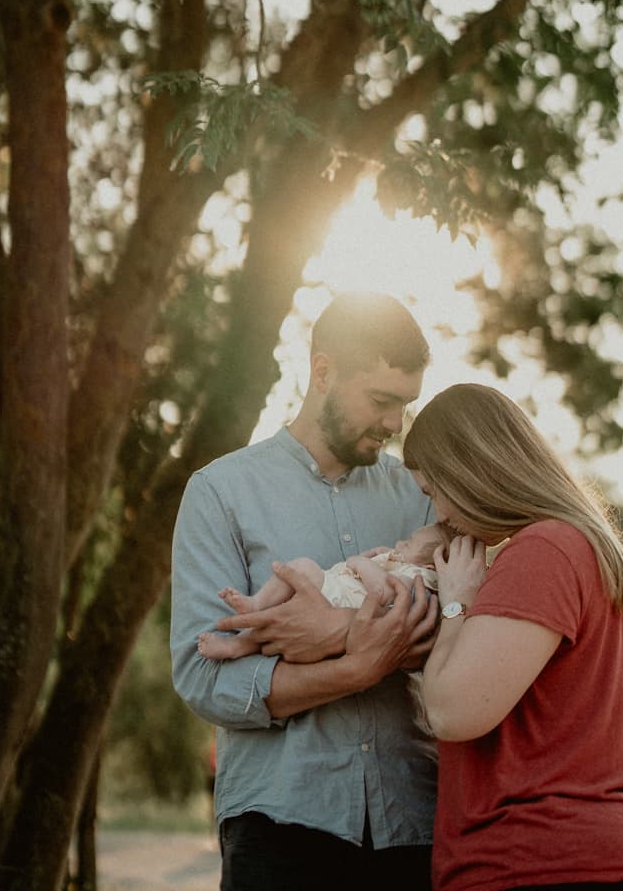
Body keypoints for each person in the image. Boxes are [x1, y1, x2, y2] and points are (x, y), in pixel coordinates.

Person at [170, 292, 440, 891]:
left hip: (412, 823)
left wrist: (335, 632)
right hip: (279, 826)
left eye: (405, 405)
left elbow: (451, 629)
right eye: (382, 401)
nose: (395, 424)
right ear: (323, 373)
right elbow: (204, 675)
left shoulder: (421, 496)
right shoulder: (220, 492)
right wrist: (356, 668)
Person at [402, 383, 623, 891]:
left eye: (433, 491)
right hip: (598, 860)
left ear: (471, 470)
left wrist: (457, 603)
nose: (438, 513)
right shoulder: (579, 545)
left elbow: (452, 712)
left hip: (543, 862)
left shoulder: (541, 551)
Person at [197, 521, 444, 661]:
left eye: (408, 544)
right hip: (339, 594)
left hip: (342, 604)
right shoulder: (403, 566)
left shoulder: (419, 578)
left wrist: (360, 562)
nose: (399, 543)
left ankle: (243, 633)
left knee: (302, 570)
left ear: (430, 565)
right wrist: (371, 561)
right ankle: (249, 619)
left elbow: (383, 593)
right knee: (282, 610)